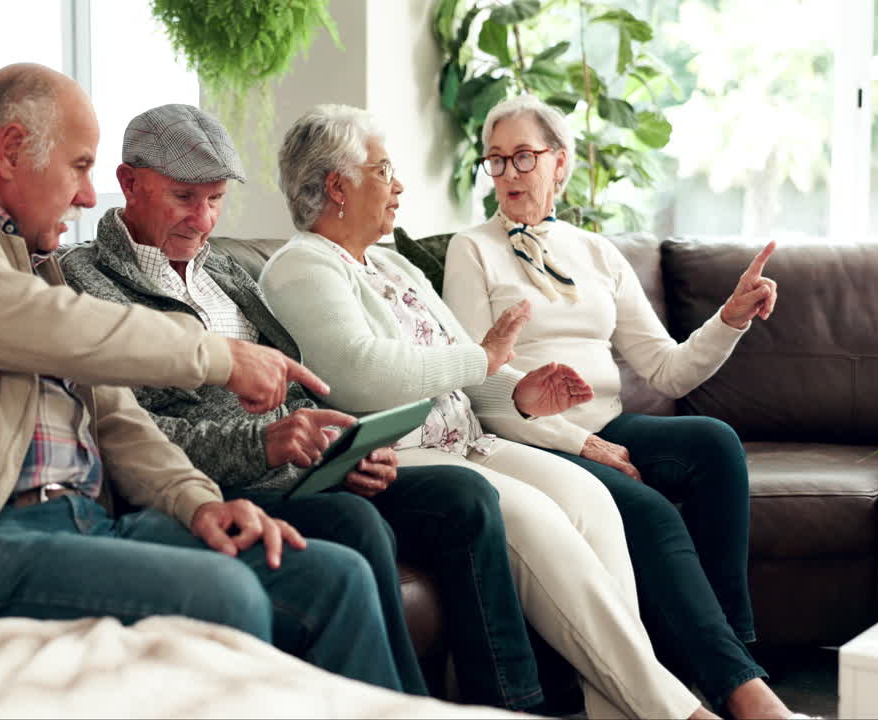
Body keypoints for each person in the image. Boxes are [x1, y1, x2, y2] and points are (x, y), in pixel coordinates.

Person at [0, 63, 408, 693]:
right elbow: (47, 325)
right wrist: (219, 356)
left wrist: (202, 503)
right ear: (14, 149)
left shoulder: (33, 264)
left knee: (334, 578)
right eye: (80, 166)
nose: (85, 195)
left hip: (84, 522)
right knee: (223, 594)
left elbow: (120, 420)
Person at [58, 102, 555, 710]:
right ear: (130, 182)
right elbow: (133, 425)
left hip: (307, 466)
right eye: (186, 197)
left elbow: (299, 385)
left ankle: (517, 703)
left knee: (465, 497)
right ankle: (408, 706)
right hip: (224, 482)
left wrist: (350, 450)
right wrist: (262, 441)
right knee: (355, 523)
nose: (203, 220)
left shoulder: (229, 277)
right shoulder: (84, 281)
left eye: (216, 200)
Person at [259, 103, 731, 720]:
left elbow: (474, 368)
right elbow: (364, 375)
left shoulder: (392, 264)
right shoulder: (301, 267)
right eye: (384, 170)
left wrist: (522, 393)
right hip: (408, 451)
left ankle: (617, 711)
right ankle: (680, 713)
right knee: (544, 526)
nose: (399, 185)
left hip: (468, 439)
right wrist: (482, 362)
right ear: (336, 187)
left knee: (595, 503)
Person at [440, 94, 797, 719]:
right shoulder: (470, 251)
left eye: (524, 156)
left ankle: (722, 662)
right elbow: (478, 379)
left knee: (714, 443)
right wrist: (581, 444)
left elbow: (667, 366)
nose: (509, 174)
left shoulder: (597, 252)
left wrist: (730, 319)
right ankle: (748, 698)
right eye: (496, 161)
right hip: (533, 438)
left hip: (606, 422)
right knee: (651, 512)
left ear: (561, 164)